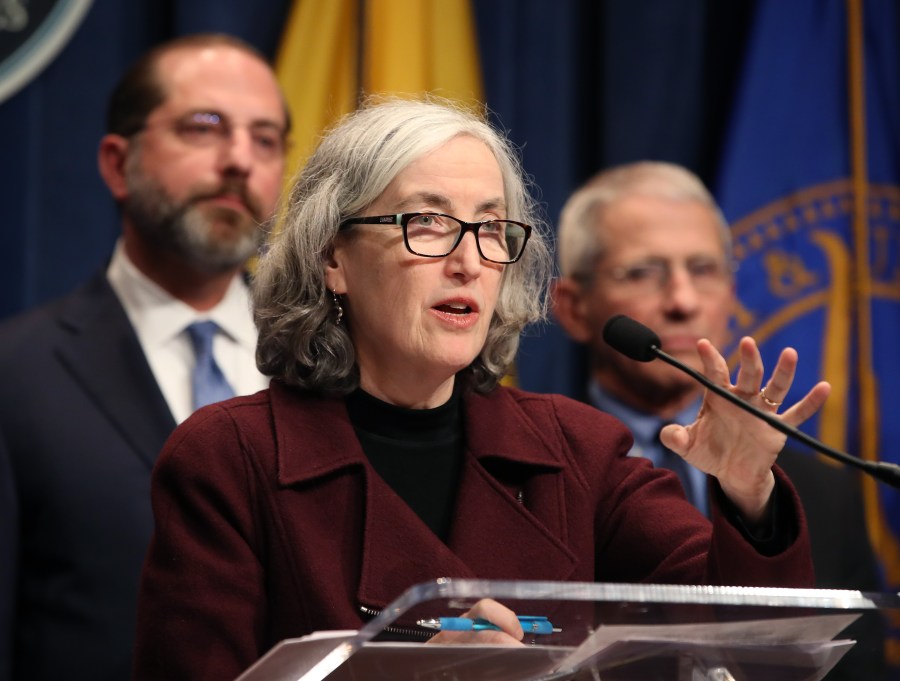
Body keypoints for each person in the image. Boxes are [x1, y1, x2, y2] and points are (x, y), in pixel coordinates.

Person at [131, 98, 829, 681]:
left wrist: (747, 492)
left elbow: (751, 642)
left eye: (492, 229)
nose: (469, 261)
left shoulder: (575, 452)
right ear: (333, 258)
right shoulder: (231, 458)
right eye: (427, 222)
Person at [0, 33, 289, 681]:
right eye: (204, 127)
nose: (240, 159)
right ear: (115, 163)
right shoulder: (14, 376)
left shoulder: (330, 368)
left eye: (265, 138)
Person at [551, 160, 885, 677]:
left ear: (731, 293)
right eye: (643, 272)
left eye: (704, 270)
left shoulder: (822, 493)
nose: (683, 301)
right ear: (573, 306)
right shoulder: (536, 472)